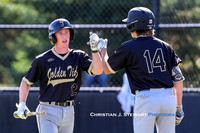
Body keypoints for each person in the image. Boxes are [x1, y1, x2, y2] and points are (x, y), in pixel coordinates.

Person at [96, 7, 185, 133]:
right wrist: (179, 106)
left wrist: (103, 49)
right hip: (168, 98)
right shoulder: (166, 46)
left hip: (146, 99)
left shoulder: (128, 47)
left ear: (133, 26)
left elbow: (107, 69)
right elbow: (178, 79)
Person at [14, 18, 103, 133]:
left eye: (67, 32)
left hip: (69, 111)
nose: (65, 36)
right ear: (53, 37)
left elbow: (98, 70)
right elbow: (26, 82)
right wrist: (22, 104)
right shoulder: (42, 59)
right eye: (60, 33)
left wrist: (95, 51)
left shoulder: (78, 56)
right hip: (48, 111)